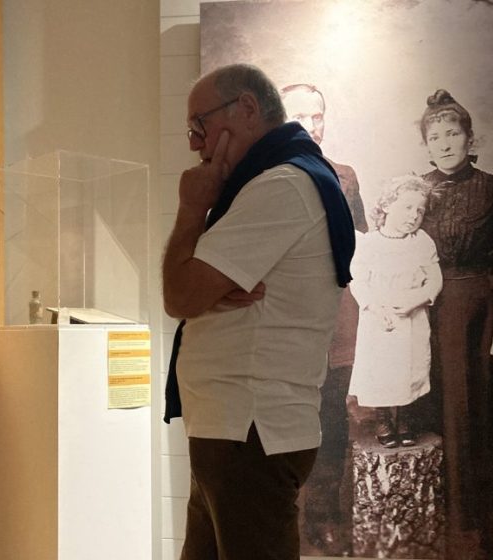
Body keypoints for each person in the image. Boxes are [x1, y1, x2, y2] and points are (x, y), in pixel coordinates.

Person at [162, 64, 355, 560]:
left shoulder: (282, 185)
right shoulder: (275, 181)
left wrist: (191, 209)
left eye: (199, 125)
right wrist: (203, 286)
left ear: (247, 108)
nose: (194, 143)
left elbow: (179, 296)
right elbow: (190, 291)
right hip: (234, 430)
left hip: (249, 431)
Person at [418, 89, 493, 559]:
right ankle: (451, 535)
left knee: (488, 422)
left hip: (485, 318)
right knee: (441, 419)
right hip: (431, 317)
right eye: (434, 136)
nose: (444, 144)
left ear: (469, 137)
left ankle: (492, 534)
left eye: (452, 133)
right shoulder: (415, 192)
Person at [281, 82, 368, 554]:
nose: (312, 126)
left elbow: (365, 248)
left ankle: (325, 518)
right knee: (291, 424)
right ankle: (288, 519)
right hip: (288, 325)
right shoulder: (262, 179)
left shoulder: (346, 175)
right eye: (300, 116)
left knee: (333, 423)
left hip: (338, 323)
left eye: (318, 116)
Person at [348, 175, 442, 447]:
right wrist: (375, 307)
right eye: (407, 207)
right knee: (381, 369)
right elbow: (358, 281)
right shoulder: (368, 243)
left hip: (412, 316)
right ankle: (383, 419)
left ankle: (405, 418)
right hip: (379, 318)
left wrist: (417, 300)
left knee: (409, 367)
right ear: (387, 205)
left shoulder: (421, 241)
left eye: (419, 210)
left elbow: (434, 279)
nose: (414, 216)